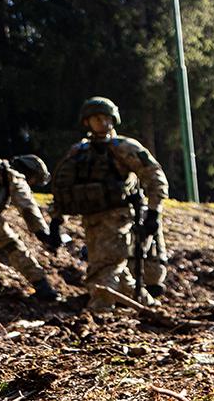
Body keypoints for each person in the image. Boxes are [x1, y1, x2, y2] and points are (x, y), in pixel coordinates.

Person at [50, 97, 168, 312]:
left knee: (107, 266)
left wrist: (154, 213)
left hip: (119, 217)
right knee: (115, 270)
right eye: (97, 118)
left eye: (107, 118)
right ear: (87, 122)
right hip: (92, 220)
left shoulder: (123, 147)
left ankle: (99, 309)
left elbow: (155, 177)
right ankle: (147, 307)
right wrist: (57, 219)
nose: (103, 123)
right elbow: (63, 187)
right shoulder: (79, 152)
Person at [0, 155, 62, 301]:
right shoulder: (13, 175)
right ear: (30, 174)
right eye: (34, 181)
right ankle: (42, 286)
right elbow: (28, 207)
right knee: (12, 246)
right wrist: (42, 233)